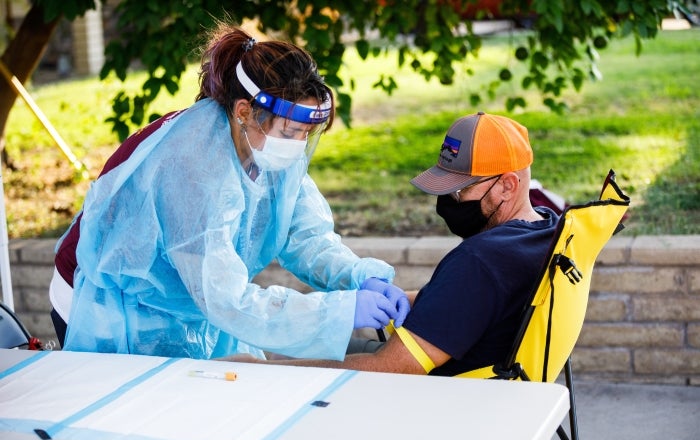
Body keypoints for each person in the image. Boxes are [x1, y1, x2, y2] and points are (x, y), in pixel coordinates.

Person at [49, 24, 410, 360]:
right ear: (244, 112)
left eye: (305, 134)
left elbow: (307, 238)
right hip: (106, 305)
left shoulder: (260, 146)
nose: (297, 146)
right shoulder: (191, 166)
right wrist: (339, 312)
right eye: (288, 133)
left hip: (183, 301)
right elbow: (227, 300)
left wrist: (359, 275)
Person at [223, 111, 560, 376]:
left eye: (461, 188)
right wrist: (366, 299)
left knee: (285, 358)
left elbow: (394, 367)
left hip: (434, 398)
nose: (450, 199)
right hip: (486, 375)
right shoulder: (545, 229)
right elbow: (460, 303)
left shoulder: (482, 261)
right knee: (305, 346)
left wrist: (264, 371)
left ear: (507, 185)